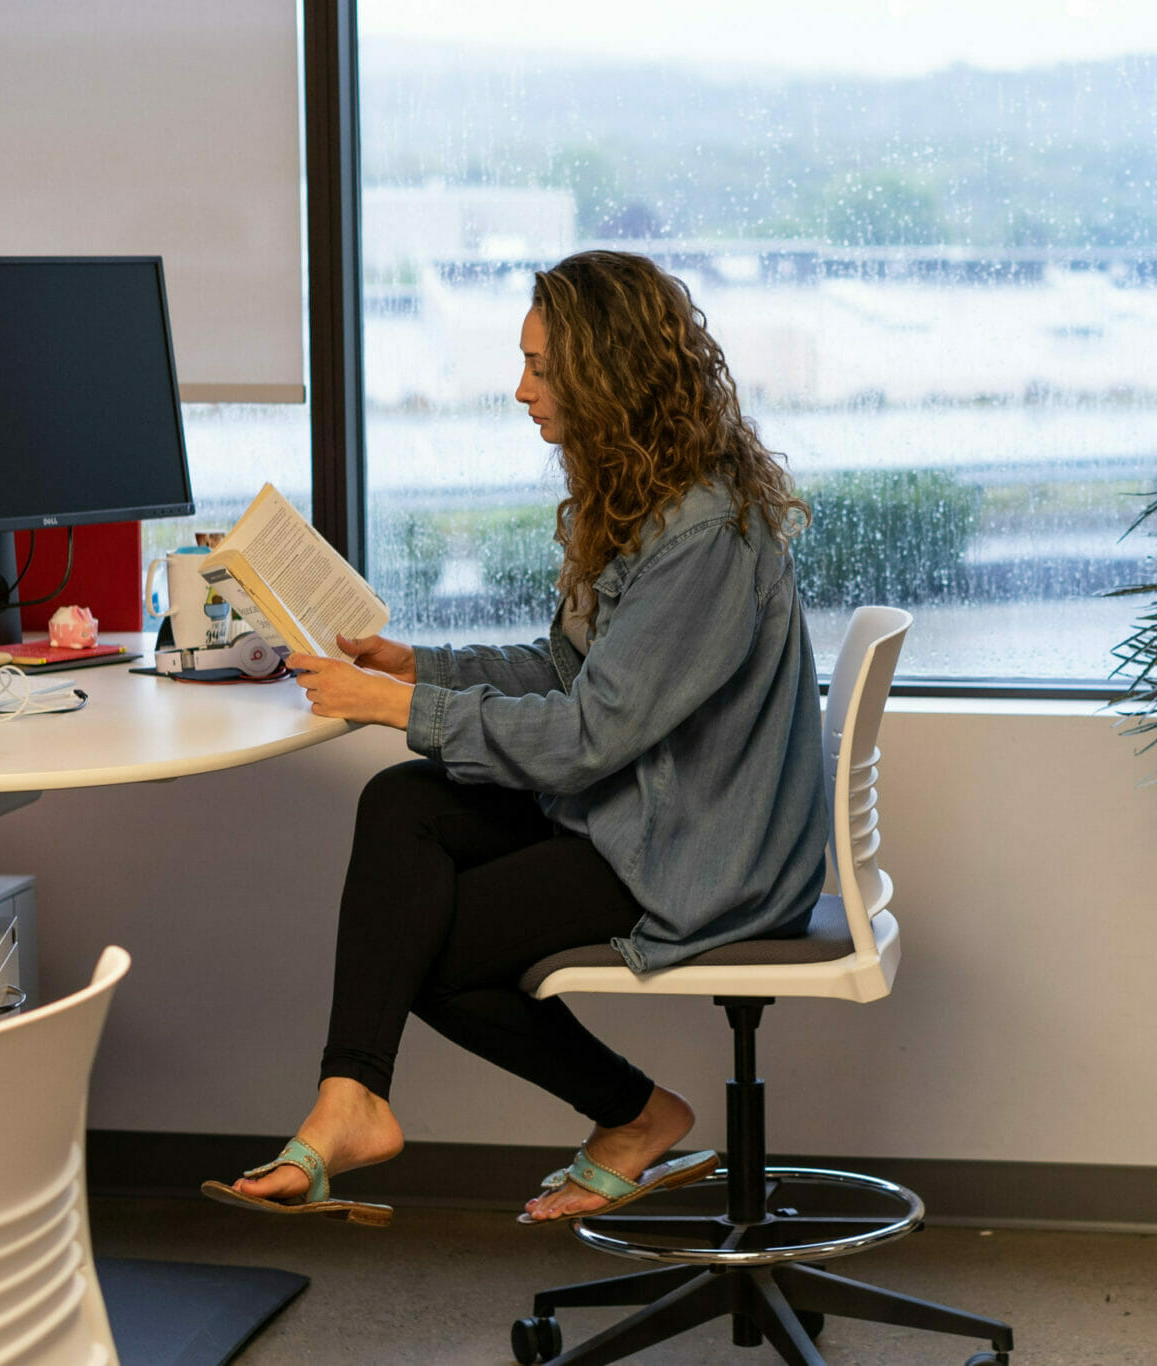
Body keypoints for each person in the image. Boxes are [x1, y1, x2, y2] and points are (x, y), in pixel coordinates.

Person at [203, 251, 829, 1226]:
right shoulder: (637, 494)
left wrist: (386, 707)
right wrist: (421, 669)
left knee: (435, 945)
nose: (519, 389)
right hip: (657, 811)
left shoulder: (700, 532)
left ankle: (634, 1116)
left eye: (541, 368)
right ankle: (349, 1097)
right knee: (402, 803)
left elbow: (586, 736)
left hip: (701, 853)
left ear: (606, 378)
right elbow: (572, 669)